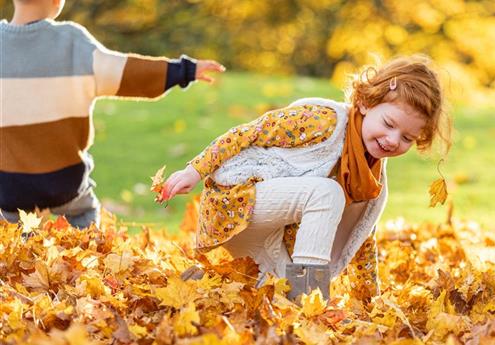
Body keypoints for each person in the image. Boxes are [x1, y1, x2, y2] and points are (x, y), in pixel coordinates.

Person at [161, 55, 452, 302]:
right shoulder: (323, 121)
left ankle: (195, 284)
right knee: (328, 194)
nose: (392, 140)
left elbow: (360, 236)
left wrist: (369, 302)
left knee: (271, 295)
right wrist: (194, 170)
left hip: (268, 237)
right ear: (365, 102)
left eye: (407, 138)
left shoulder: (373, 179)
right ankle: (310, 306)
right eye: (389, 124)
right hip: (239, 201)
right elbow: (249, 133)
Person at [0, 0, 225, 228]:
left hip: (8, 190)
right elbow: (127, 73)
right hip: (66, 186)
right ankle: (88, 249)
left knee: (11, 240)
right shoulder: (72, 42)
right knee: (84, 226)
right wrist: (184, 71)